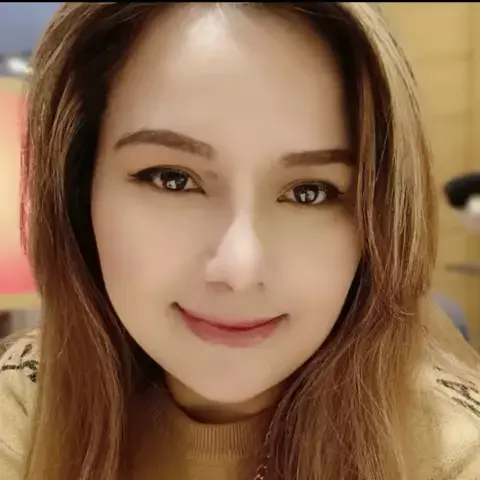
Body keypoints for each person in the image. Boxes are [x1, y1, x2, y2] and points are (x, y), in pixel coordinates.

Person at [1, 3, 479, 479]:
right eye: (173, 179)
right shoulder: (24, 406)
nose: (239, 268)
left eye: (309, 192)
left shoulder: (451, 456)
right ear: (79, 187)